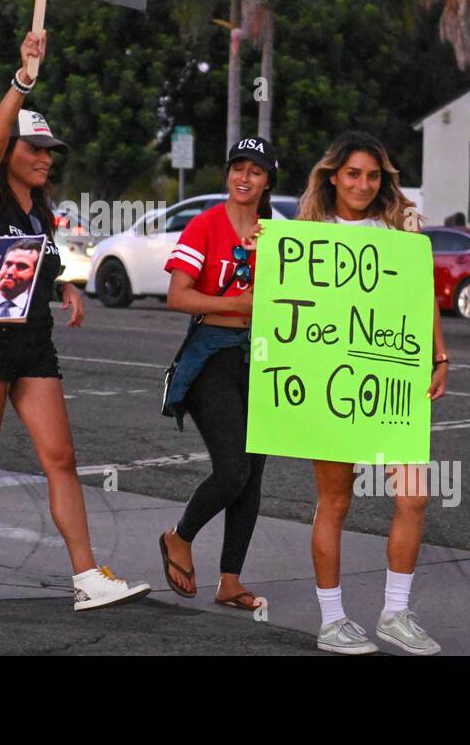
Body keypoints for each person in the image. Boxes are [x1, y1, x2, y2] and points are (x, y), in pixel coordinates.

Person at [0, 32, 151, 612]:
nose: (45, 157)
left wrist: (63, 286)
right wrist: (24, 78)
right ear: (8, 150)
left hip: (33, 343)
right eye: (33, 148)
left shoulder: (38, 206)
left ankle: (86, 574)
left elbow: (38, 260)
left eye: (50, 150)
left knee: (60, 458)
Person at [297, 131, 449, 656]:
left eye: (373, 175)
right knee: (335, 502)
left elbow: (420, 294)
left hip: (392, 380)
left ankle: (395, 614)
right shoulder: (308, 232)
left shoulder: (400, 226)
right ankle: (333, 620)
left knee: (414, 495)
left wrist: (440, 355)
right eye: (353, 173)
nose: (363, 184)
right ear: (334, 175)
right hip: (329, 384)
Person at [158, 138, 277, 612]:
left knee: (254, 476)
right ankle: (178, 536)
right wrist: (236, 305)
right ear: (227, 174)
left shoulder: (277, 235)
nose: (245, 178)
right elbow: (178, 296)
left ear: (269, 180)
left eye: (256, 171)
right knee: (232, 470)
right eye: (237, 169)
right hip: (212, 360)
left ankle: (231, 580)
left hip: (264, 360)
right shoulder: (205, 226)